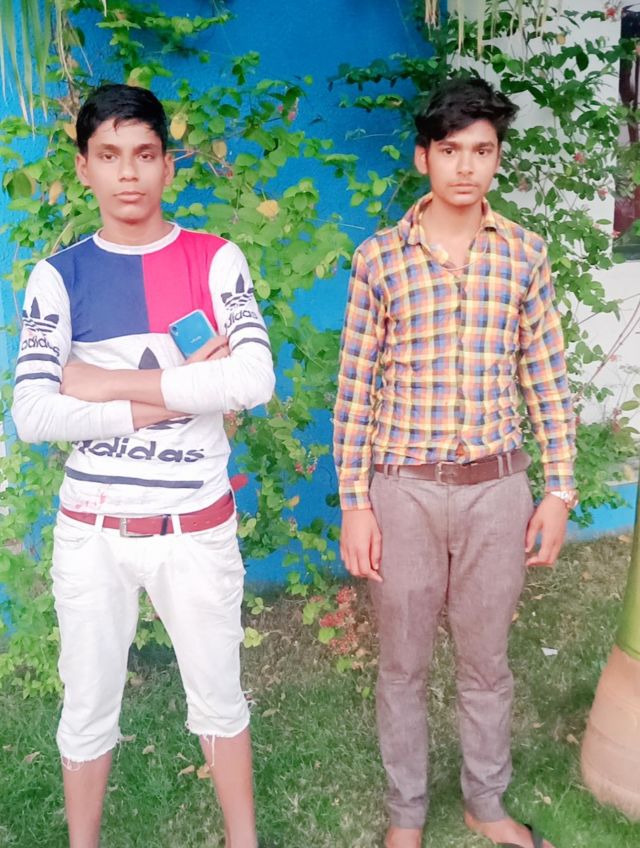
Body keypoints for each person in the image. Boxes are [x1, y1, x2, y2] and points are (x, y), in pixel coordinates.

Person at [12, 83, 274, 848]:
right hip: (92, 532)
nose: (127, 174)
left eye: (144, 155)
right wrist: (178, 394)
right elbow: (34, 415)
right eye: (108, 156)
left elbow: (253, 381)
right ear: (83, 167)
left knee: (220, 700)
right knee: (86, 707)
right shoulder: (58, 277)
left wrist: (101, 383)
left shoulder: (215, 259)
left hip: (194, 526)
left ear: (168, 165)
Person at [333, 77, 577, 848]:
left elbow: (546, 378)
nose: (466, 167)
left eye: (482, 150)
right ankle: (406, 815)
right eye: (450, 150)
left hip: (495, 491)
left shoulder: (524, 256)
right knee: (402, 666)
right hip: (403, 491)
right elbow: (355, 391)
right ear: (423, 158)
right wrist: (356, 504)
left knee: (486, 662)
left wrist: (558, 491)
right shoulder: (379, 260)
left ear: (498, 158)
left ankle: (485, 803)